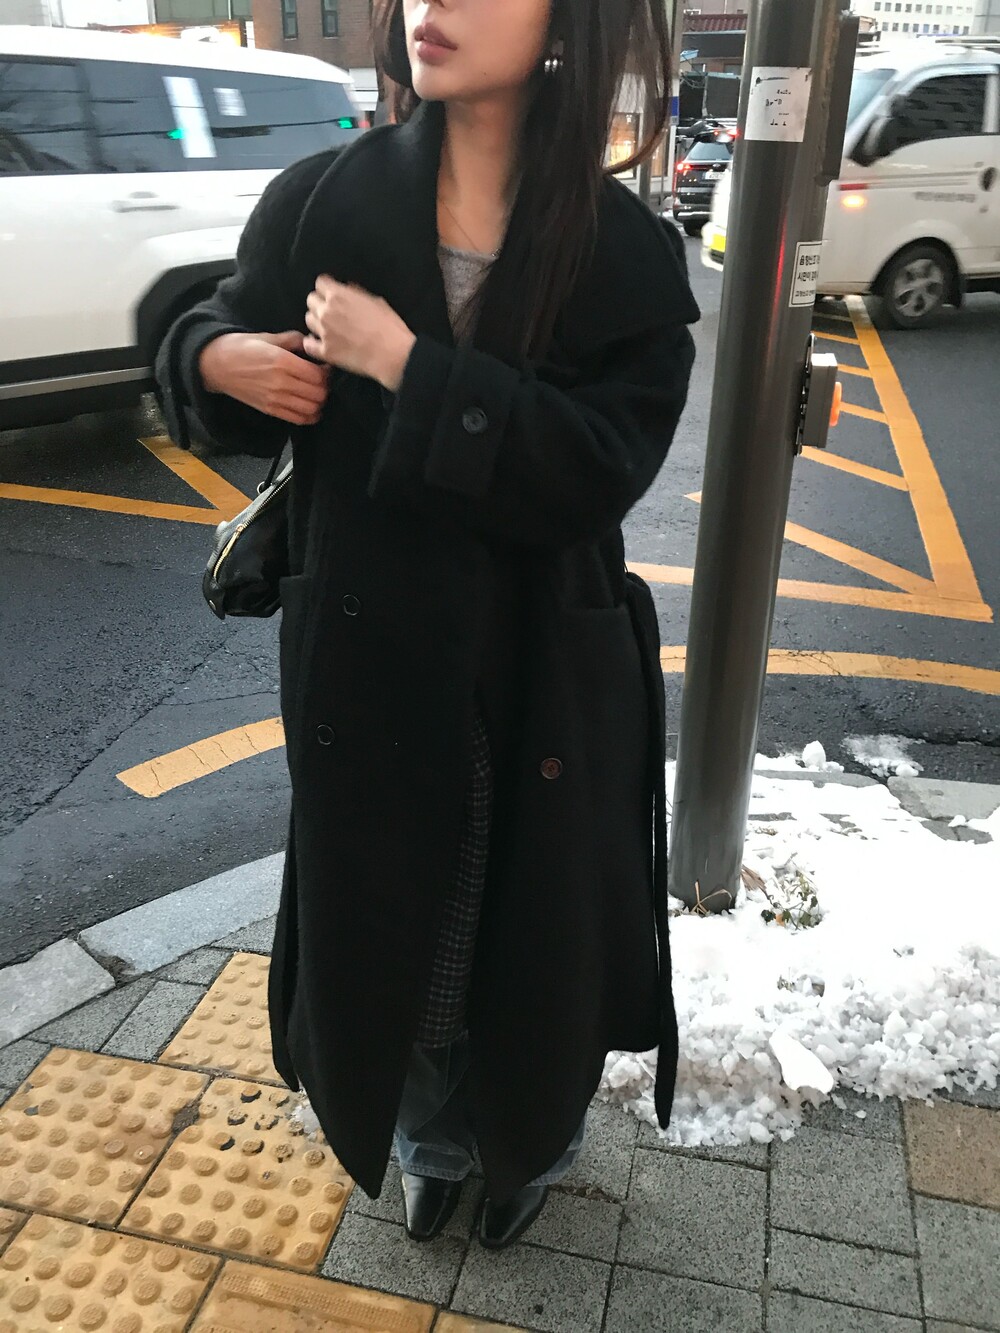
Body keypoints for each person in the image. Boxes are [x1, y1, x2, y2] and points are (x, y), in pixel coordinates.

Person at [155, 0, 699, 1253]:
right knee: (395, 942)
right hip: (371, 662)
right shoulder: (322, 202)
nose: (431, 5)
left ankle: (526, 1149)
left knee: (530, 941)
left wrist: (410, 365)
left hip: (541, 674)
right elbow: (212, 330)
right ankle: (426, 1145)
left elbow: (595, 469)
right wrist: (217, 363)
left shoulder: (620, 249)